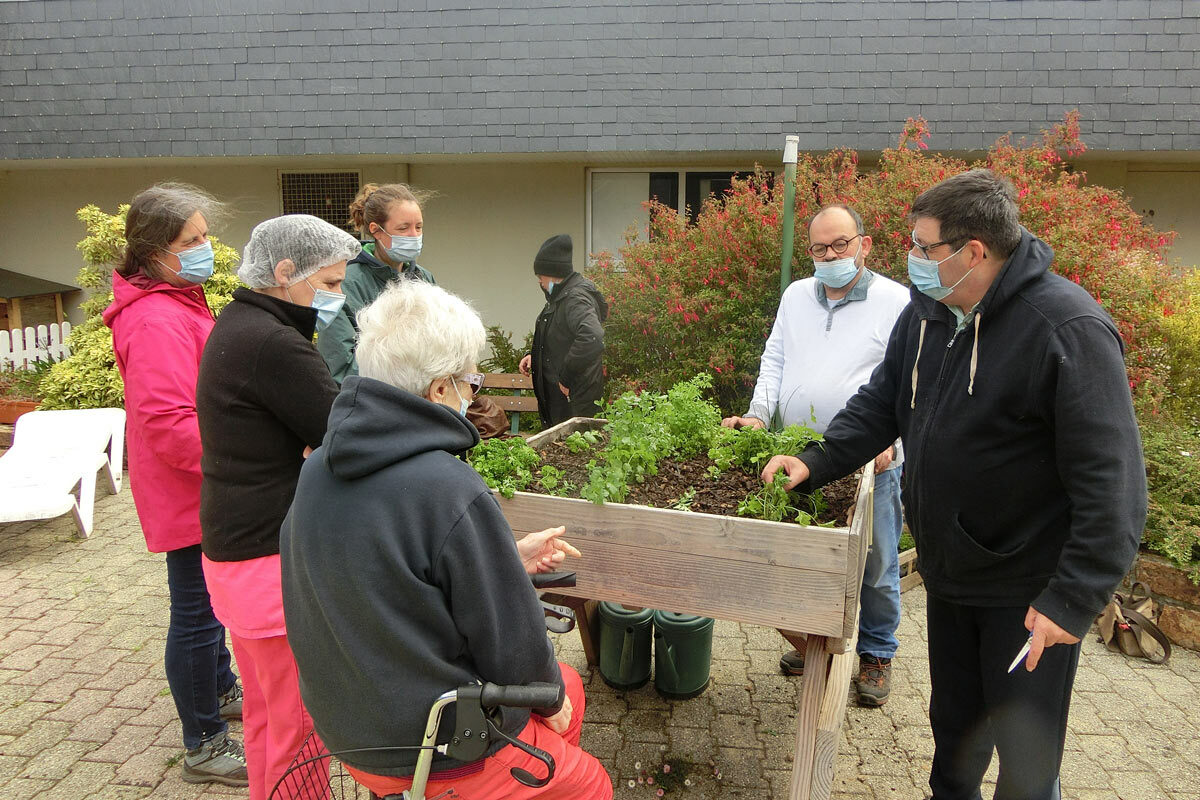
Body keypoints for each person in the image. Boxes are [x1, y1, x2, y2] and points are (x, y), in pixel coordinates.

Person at [760, 169, 1146, 800]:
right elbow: (884, 401)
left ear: (974, 252)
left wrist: (1072, 600)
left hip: (1027, 594)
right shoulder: (932, 312)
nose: (911, 260)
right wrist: (817, 459)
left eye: (924, 248)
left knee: (1026, 759)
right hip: (952, 574)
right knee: (956, 735)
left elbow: (1115, 484)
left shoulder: (1066, 330)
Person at [281, 280, 614, 799]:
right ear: (440, 390)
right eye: (470, 381)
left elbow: (390, 575)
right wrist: (547, 703)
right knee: (587, 775)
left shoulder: (319, 466)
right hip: (432, 744)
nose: (472, 393)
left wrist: (504, 559)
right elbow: (515, 646)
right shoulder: (448, 486)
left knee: (566, 688)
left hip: (348, 732)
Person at [196, 214, 361, 800]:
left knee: (269, 712)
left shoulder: (239, 322)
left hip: (234, 552)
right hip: (268, 557)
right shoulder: (273, 342)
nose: (337, 296)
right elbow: (343, 429)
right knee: (300, 722)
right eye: (331, 283)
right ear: (286, 272)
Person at [721, 204, 910, 707]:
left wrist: (894, 444)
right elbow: (775, 357)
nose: (830, 256)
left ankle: (875, 652)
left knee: (874, 560)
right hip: (798, 454)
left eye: (840, 245)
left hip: (870, 460)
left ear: (864, 244)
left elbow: (912, 384)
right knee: (804, 553)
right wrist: (759, 414)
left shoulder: (897, 301)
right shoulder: (796, 296)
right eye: (819, 248)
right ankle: (814, 639)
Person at [102, 183, 247, 787]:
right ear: (156, 251)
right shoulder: (157, 316)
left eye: (205, 236)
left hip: (197, 484)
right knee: (195, 612)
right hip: (192, 489)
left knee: (208, 605)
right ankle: (204, 743)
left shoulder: (179, 299)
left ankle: (220, 688)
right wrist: (236, 462)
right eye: (192, 241)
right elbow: (167, 422)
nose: (205, 248)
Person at [318, 182, 510, 437]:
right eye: (403, 228)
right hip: (373, 415)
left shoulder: (424, 278)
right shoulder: (346, 284)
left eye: (418, 227)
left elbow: (443, 345)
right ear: (376, 230)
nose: (414, 235)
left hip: (426, 411)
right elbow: (341, 367)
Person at [518, 234, 608, 426]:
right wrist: (536, 357)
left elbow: (592, 337)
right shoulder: (562, 297)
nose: (540, 283)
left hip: (574, 404)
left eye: (540, 276)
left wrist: (565, 378)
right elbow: (561, 337)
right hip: (562, 405)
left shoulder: (575, 298)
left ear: (552, 274)